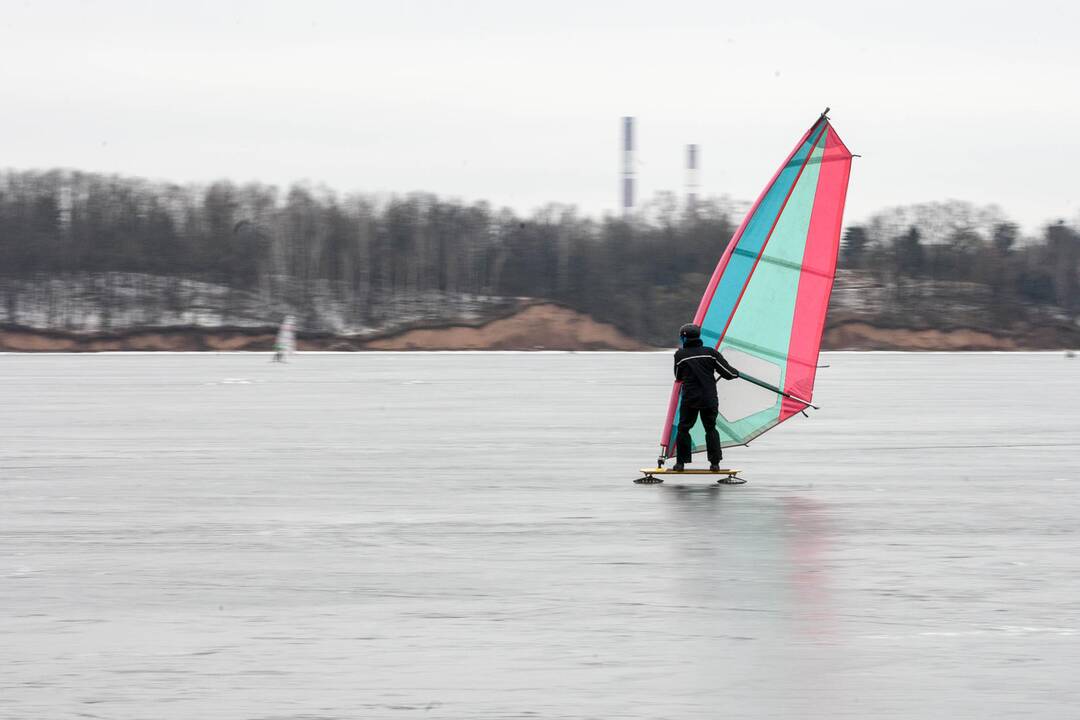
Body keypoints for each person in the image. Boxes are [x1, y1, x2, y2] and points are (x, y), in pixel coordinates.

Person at [673, 323, 739, 472]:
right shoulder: (711, 353)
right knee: (710, 429)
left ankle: (680, 464)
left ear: (684, 338)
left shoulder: (680, 355)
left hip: (690, 399)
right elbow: (729, 374)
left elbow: (678, 376)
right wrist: (736, 373)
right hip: (709, 398)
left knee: (683, 429)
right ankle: (715, 464)